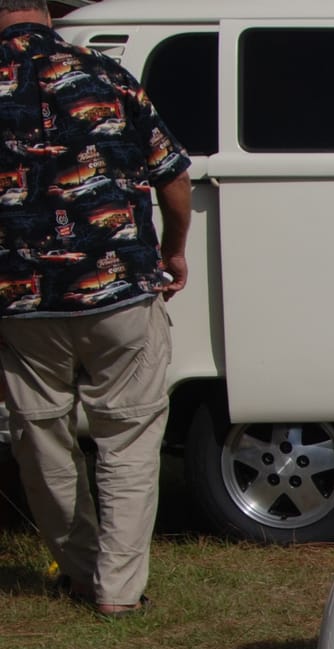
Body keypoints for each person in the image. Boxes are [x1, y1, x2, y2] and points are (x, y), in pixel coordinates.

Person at [0, 0, 191, 615]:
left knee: (42, 439)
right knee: (128, 438)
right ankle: (119, 591)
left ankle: (81, 571)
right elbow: (173, 179)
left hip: (21, 301)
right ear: (47, 11)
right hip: (119, 291)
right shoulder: (105, 74)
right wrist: (173, 251)